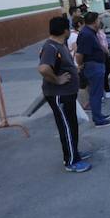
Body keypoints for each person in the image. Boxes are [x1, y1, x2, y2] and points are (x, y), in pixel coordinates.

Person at [38, 17, 91, 172]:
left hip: (67, 94)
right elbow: (43, 69)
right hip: (59, 94)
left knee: (72, 124)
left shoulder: (58, 45)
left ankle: (74, 152)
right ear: (65, 31)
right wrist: (57, 80)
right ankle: (71, 161)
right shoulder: (50, 47)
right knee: (66, 126)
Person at [75, 12, 110, 127]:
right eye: (99, 20)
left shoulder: (91, 32)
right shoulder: (86, 34)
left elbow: (96, 46)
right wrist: (80, 65)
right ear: (95, 21)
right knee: (95, 94)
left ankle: (99, 115)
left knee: (97, 93)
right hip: (93, 66)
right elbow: (79, 54)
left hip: (97, 65)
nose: (100, 22)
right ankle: (98, 120)